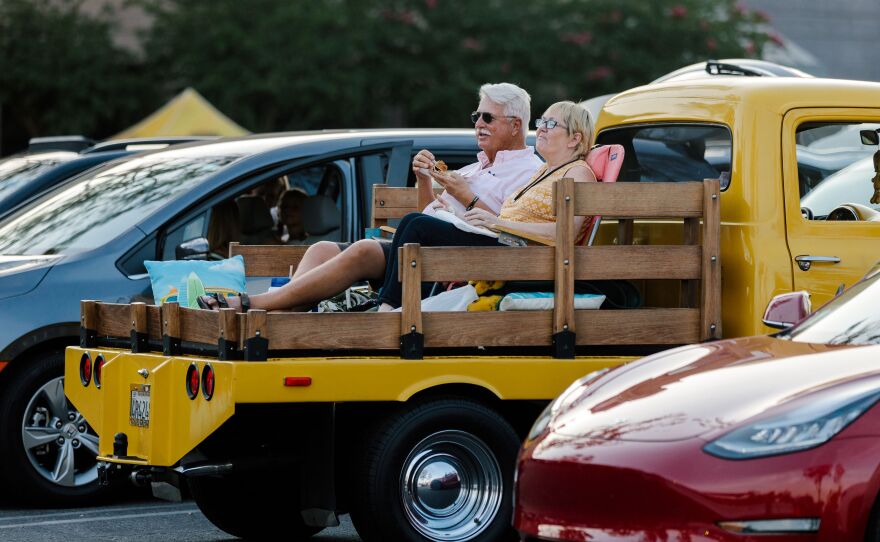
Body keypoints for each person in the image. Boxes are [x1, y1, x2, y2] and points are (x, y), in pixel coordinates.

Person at [198, 82, 542, 312]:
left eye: (487, 117)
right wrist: (424, 180)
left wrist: (466, 198)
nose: (478, 123)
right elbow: (429, 214)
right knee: (326, 248)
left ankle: (385, 310)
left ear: (515, 125)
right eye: (476, 116)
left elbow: (508, 231)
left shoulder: (529, 170)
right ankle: (285, 313)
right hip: (432, 251)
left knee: (408, 224)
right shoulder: (474, 167)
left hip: (477, 261)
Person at [376, 100, 597, 311]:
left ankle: (388, 308)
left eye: (551, 124)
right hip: (508, 245)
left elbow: (565, 234)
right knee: (415, 221)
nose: (541, 129)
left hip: (525, 257)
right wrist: (456, 215)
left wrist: (499, 223)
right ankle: (392, 307)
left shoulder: (577, 172)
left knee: (417, 225)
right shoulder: (544, 171)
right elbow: (511, 221)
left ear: (574, 138)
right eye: (541, 122)